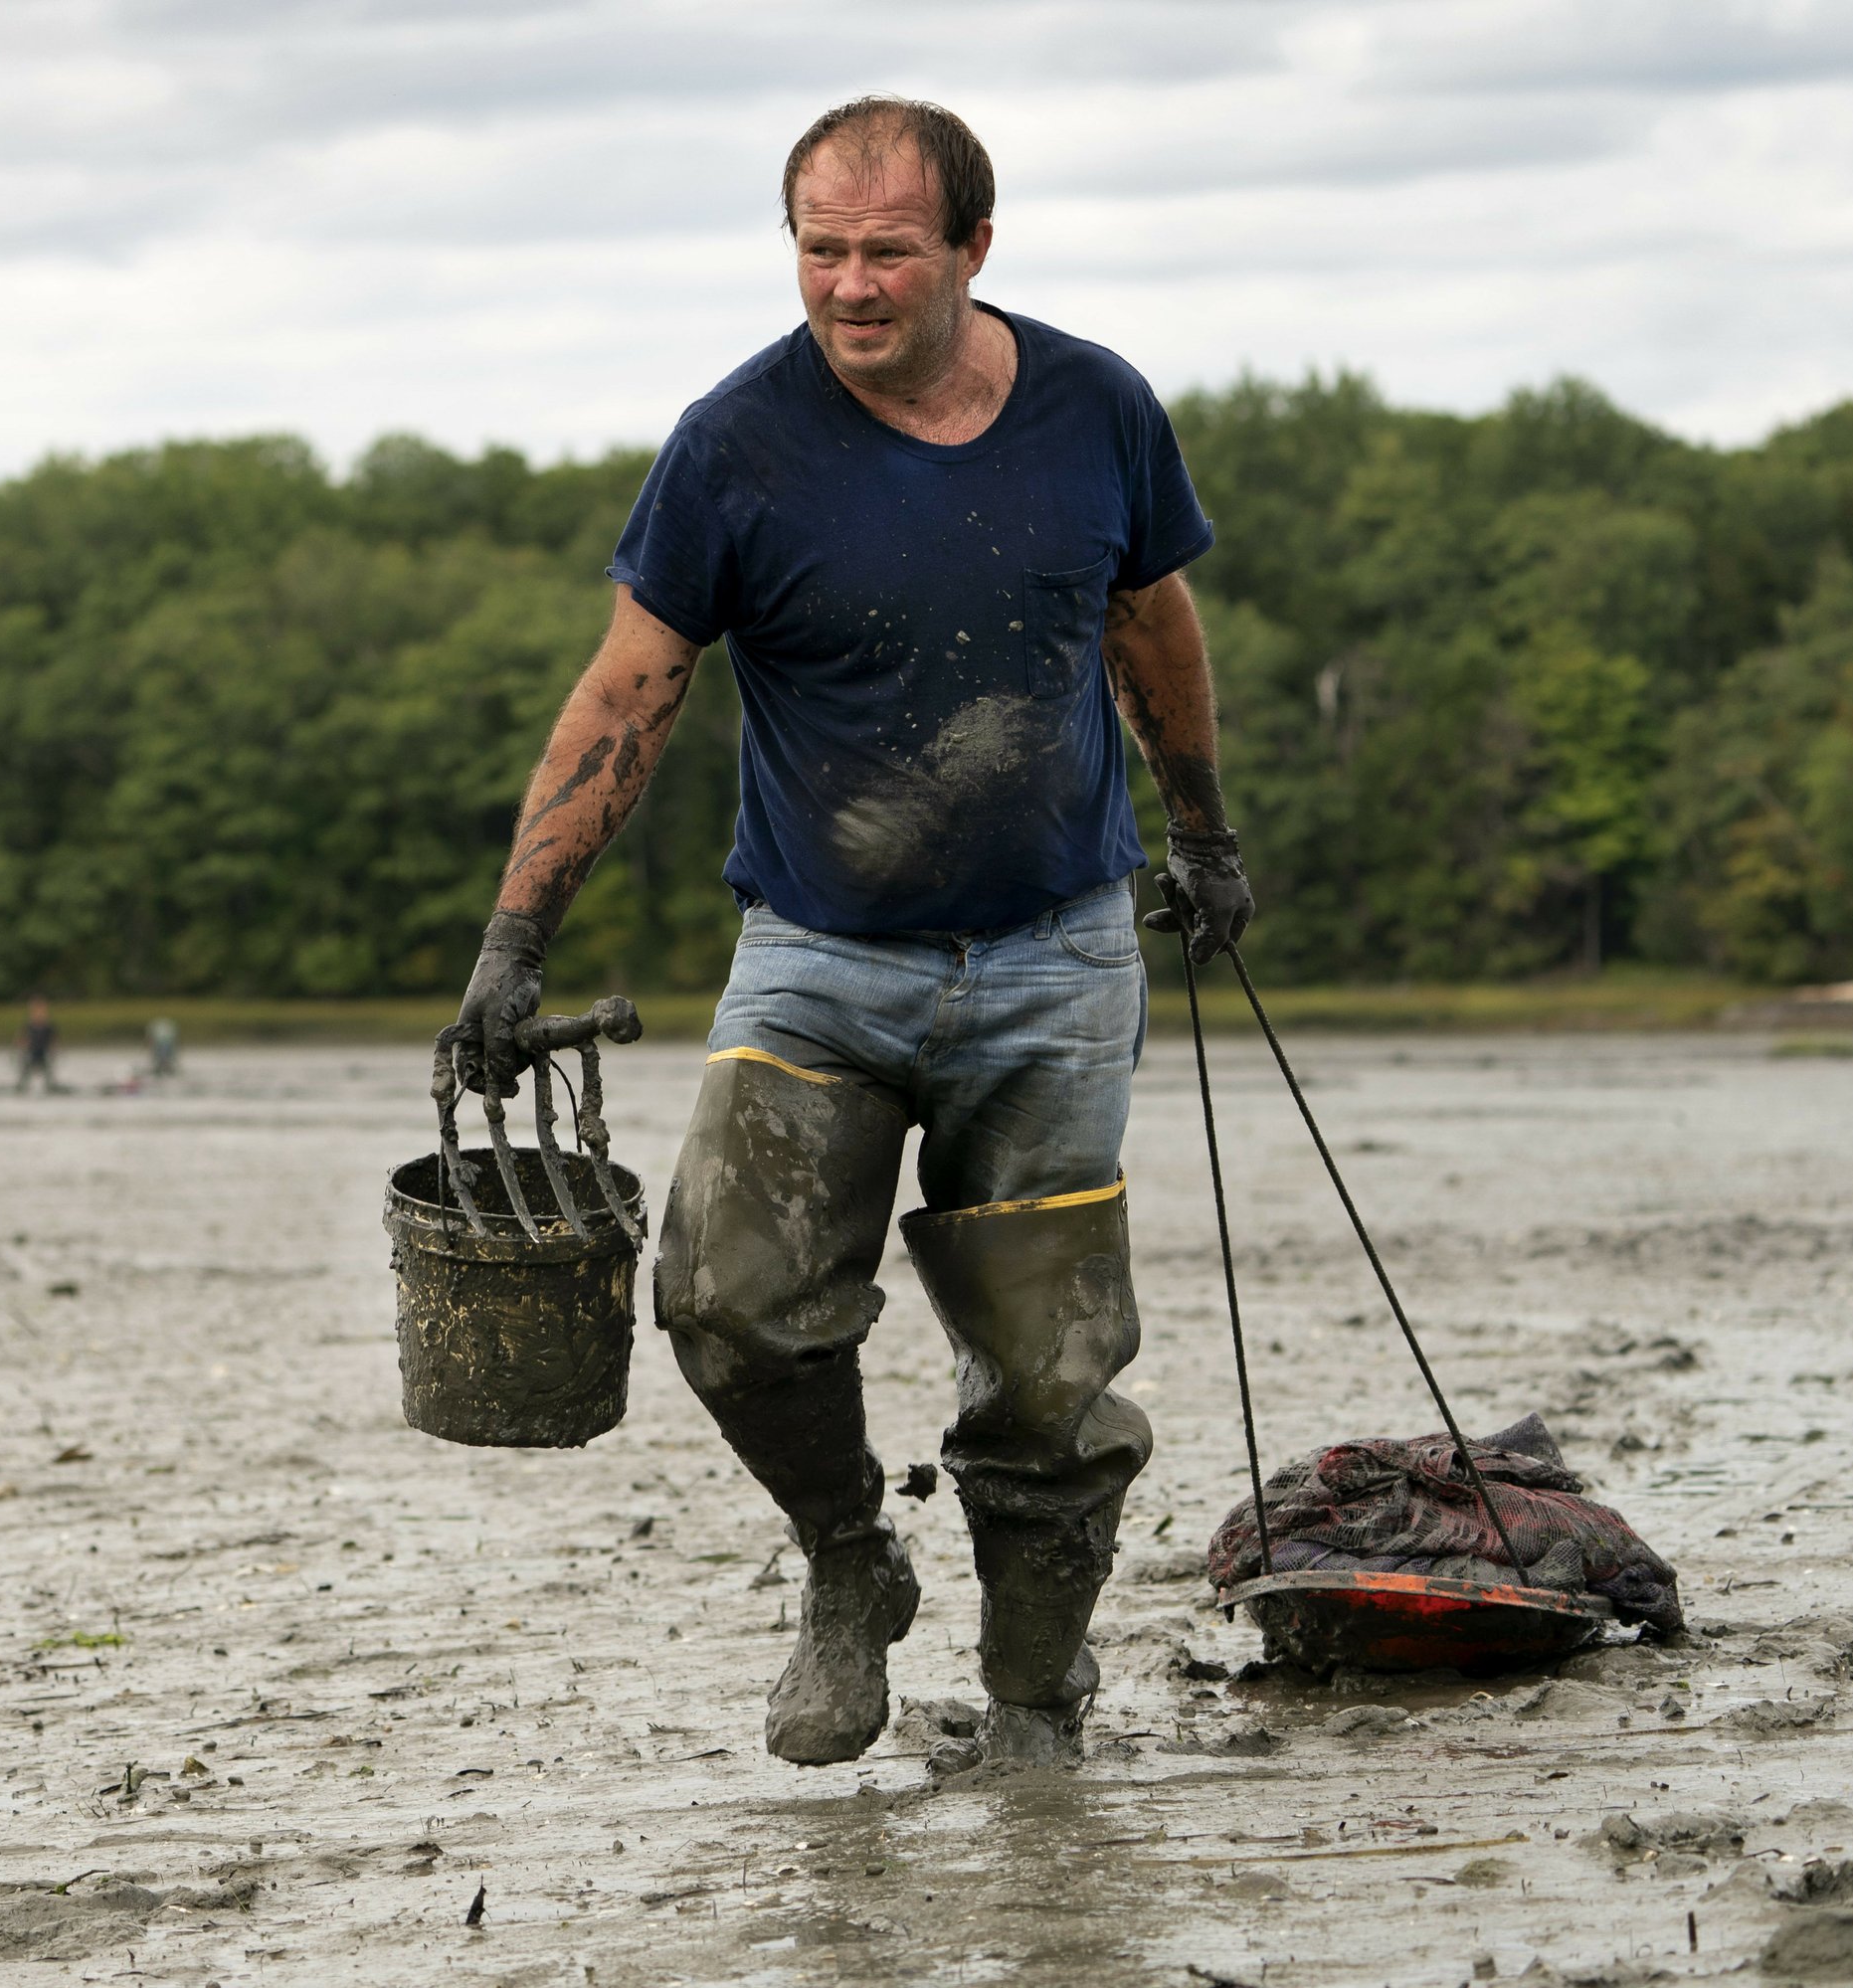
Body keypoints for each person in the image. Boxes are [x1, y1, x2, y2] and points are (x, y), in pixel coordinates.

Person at [436, 96, 1253, 1770]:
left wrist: (1204, 831)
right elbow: (627, 694)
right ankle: (846, 1554)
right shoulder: (735, 445)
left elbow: (1152, 619)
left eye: (889, 249)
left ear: (973, 246)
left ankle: (1036, 1700)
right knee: (726, 1296)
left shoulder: (1097, 407)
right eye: (821, 250)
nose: (852, 285)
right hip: (819, 953)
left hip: (1057, 956)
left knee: (1047, 1363)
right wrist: (513, 940)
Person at [14, 995, 65, 1095]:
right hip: (31, 1054)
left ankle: (50, 1088)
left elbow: (54, 1041)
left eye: (42, 1012)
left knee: (48, 1075)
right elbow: (21, 1040)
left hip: (44, 1054)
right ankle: (22, 1088)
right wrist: (22, 1044)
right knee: (25, 1074)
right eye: (36, 1012)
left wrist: (55, 1051)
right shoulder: (28, 1026)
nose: (39, 1014)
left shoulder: (49, 1027)